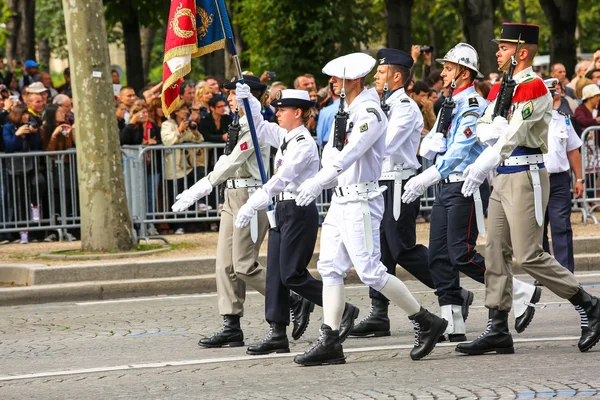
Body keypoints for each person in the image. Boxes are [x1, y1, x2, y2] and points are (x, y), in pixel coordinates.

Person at [293, 53, 447, 366]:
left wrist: (317, 182)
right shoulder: (346, 109)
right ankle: (330, 339)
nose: (332, 83)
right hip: (340, 199)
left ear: (353, 79)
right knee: (330, 268)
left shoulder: (370, 112)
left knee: (370, 271)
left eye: (336, 78)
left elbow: (350, 154)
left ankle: (425, 320)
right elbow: (332, 153)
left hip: (361, 199)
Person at [459, 22, 600, 355]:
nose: (497, 52)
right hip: (502, 175)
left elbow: (516, 134)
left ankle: (589, 303)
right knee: (495, 252)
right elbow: (484, 124)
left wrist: (486, 155)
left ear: (521, 53)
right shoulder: (500, 87)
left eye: (504, 48)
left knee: (528, 254)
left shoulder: (534, 86)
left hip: (525, 173)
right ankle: (498, 326)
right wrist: (490, 132)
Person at [402, 43, 540, 342]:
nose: (443, 72)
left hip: (465, 184)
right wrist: (430, 148)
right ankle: (453, 320)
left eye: (449, 68)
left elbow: (463, 148)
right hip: (445, 185)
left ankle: (519, 291)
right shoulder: (449, 103)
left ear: (463, 72)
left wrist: (429, 174)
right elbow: (438, 143)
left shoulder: (473, 104)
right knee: (439, 257)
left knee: (461, 254)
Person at [235, 87, 359, 355]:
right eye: (277, 109)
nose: (277, 113)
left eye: (282, 110)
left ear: (298, 113)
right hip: (282, 210)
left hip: (298, 209)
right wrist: (249, 101)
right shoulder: (285, 137)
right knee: (276, 277)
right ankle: (277, 331)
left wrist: (252, 202)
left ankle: (342, 308)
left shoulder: (303, 144)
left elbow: (282, 179)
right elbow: (259, 126)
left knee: (292, 274)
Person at [350, 48, 465, 338]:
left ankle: (453, 291)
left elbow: (384, 145)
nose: (375, 76)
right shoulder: (378, 105)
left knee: (402, 247)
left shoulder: (404, 107)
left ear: (397, 76)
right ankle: (378, 312)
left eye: (381, 72)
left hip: (398, 182)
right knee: (379, 249)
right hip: (379, 182)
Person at [172, 76, 274, 348]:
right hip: (232, 195)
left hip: (251, 196)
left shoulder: (256, 126)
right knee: (224, 265)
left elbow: (233, 162)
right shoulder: (238, 123)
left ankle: (290, 300)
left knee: (244, 265)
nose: (227, 99)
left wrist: (200, 188)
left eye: (233, 95)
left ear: (248, 97)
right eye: (228, 95)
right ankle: (231, 324)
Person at [542, 78, 584, 273]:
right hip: (536, 180)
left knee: (562, 227)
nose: (550, 98)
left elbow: (573, 151)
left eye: (553, 94)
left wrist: (579, 179)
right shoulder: (529, 120)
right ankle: (544, 273)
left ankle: (565, 272)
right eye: (547, 94)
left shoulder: (564, 118)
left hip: (559, 179)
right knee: (537, 229)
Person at [2, 104, 47, 244]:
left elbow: (36, 146)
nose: (26, 117)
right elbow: (8, 146)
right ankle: (22, 234)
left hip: (30, 167)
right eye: (23, 114)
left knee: (38, 184)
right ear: (16, 115)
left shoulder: (30, 127)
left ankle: (35, 211)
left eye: (27, 114)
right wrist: (17, 135)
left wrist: (34, 134)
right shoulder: (8, 128)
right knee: (19, 201)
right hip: (14, 169)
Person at [161, 102, 204, 235]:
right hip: (174, 167)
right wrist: (179, 130)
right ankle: (178, 226)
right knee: (177, 194)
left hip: (189, 165)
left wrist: (195, 132)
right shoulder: (167, 125)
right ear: (176, 112)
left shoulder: (188, 124)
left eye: (187, 109)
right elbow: (167, 141)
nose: (186, 112)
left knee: (200, 174)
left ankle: (200, 205)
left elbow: (199, 140)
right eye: (183, 109)